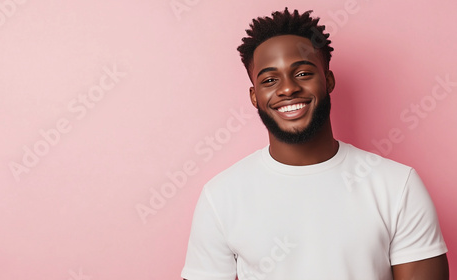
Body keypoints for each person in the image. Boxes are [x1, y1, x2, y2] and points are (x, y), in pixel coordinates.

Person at [181, 8, 449, 280]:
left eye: (303, 73)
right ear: (254, 96)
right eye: (270, 80)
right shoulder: (221, 196)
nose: (287, 89)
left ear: (328, 80)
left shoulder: (397, 185)